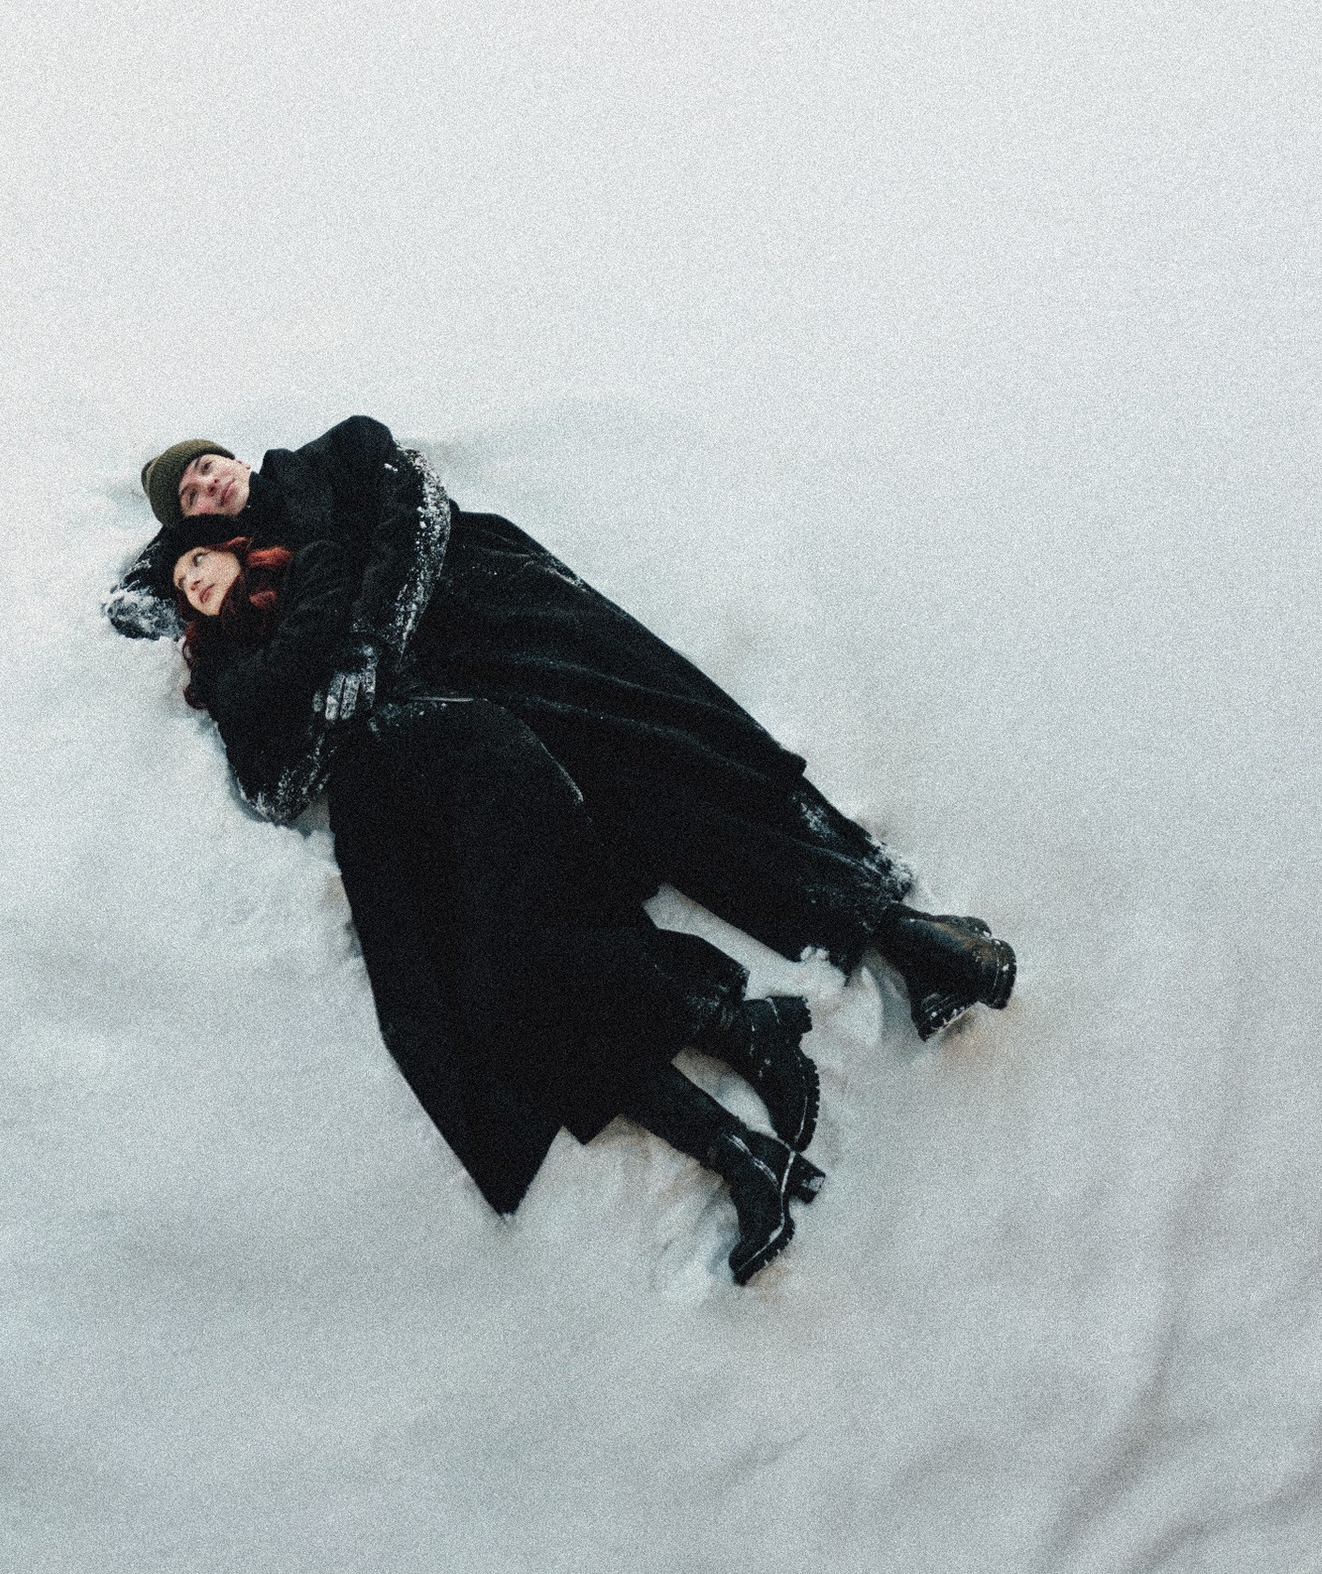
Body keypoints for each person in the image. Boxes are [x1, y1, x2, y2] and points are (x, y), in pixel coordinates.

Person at [111, 420, 1015, 1043]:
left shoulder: (332, 453)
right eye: (189, 494)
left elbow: (420, 514)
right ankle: (900, 937)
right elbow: (135, 605)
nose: (207, 482)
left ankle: (904, 917)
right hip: (473, 684)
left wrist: (368, 644)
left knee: (682, 732)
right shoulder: (251, 570)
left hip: (509, 603)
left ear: (230, 452)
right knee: (646, 802)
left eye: (205, 463)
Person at [160, 529, 826, 1280]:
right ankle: (745, 1145)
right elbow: (269, 787)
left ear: (237, 552)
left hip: (464, 749)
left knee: (553, 952)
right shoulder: (225, 673)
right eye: (181, 580)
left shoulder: (316, 578)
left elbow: (366, 646)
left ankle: (741, 1054)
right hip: (391, 822)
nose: (194, 579)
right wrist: (313, 696)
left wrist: (311, 694)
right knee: (506, 1004)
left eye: (199, 560)